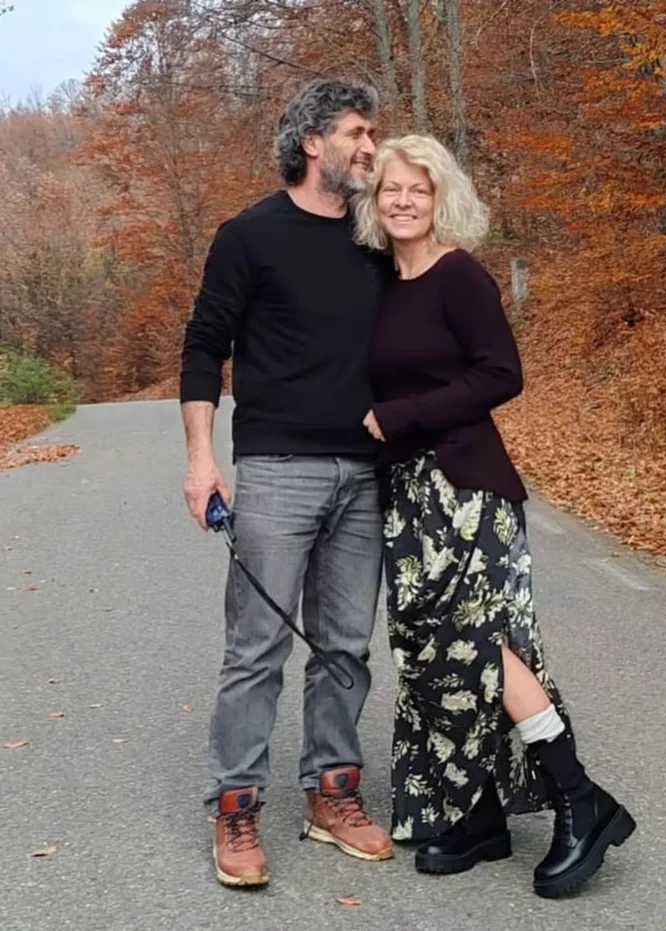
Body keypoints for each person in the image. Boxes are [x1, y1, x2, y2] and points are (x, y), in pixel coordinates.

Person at [355, 135, 636, 899]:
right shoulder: (382, 283)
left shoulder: (459, 274)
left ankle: (581, 798)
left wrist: (402, 416)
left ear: (439, 196)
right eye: (390, 189)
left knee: (482, 646)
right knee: (427, 653)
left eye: (417, 188)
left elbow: (502, 373)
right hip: (407, 497)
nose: (403, 200)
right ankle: (477, 812)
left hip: (467, 487)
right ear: (374, 201)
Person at [179, 78, 394, 888]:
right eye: (356, 132)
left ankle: (331, 793)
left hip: (366, 473)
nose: (370, 146)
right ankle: (235, 805)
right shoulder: (249, 235)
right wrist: (201, 459)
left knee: (345, 644)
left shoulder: (378, 237)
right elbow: (204, 346)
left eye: (372, 133)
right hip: (275, 469)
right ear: (312, 141)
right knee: (257, 646)